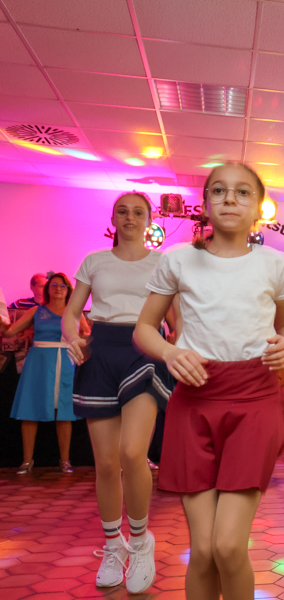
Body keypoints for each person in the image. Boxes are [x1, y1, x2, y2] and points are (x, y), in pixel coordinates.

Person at [134, 163, 284, 600]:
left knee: (228, 546)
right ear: (205, 203)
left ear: (258, 207)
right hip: (194, 403)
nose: (230, 198)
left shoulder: (274, 263)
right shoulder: (178, 259)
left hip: (255, 401)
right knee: (204, 551)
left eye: (243, 192)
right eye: (220, 190)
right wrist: (170, 352)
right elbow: (144, 329)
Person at [62, 191, 175, 593]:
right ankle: (114, 546)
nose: (130, 217)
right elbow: (72, 313)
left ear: (150, 220)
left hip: (144, 349)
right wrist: (73, 337)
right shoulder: (94, 261)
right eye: (123, 212)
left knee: (132, 452)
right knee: (107, 464)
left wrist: (178, 350)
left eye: (138, 212)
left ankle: (141, 541)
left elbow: (176, 320)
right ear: (113, 219)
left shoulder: (162, 263)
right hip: (101, 352)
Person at [4, 273, 87, 474]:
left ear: (68, 290)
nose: (58, 288)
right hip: (38, 363)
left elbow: (86, 333)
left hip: (65, 361)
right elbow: (10, 331)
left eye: (63, 285)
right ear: (48, 288)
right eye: (54, 285)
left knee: (64, 413)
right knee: (30, 409)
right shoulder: (36, 310)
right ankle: (27, 461)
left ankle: (65, 461)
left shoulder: (75, 312)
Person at [7, 273, 49, 374]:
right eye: (41, 286)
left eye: (46, 286)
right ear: (32, 287)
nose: (45, 289)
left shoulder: (52, 306)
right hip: (22, 350)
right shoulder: (20, 303)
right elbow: (7, 316)